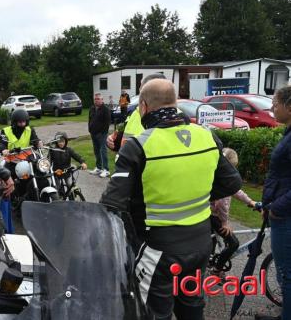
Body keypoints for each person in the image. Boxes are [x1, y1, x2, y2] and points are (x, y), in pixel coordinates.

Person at [100, 79, 242, 320]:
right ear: (175, 103)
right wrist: (195, 193)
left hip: (158, 249)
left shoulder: (139, 145)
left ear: (143, 107)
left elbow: (112, 203)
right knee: (192, 307)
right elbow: (232, 182)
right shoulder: (205, 135)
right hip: (200, 243)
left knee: (154, 312)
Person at [258, 85, 291, 320]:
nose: (272, 107)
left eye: (276, 104)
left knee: (286, 274)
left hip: (285, 217)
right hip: (281, 213)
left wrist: (276, 209)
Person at [209, 148, 258, 278]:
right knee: (233, 243)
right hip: (214, 216)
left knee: (212, 242)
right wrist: (224, 222)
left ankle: (211, 262)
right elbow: (220, 203)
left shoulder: (219, 176)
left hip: (209, 214)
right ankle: (216, 270)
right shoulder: (224, 180)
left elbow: (237, 191)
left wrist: (250, 201)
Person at [107, 73, 167, 152]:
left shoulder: (174, 117)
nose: (140, 90)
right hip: (127, 162)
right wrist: (112, 141)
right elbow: (124, 138)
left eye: (142, 87)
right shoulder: (135, 112)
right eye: (140, 87)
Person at [88, 92, 111, 178]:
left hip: (102, 134)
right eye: (95, 99)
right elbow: (89, 120)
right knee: (96, 151)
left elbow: (107, 122)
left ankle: (106, 169)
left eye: (98, 99)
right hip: (93, 133)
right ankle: (98, 167)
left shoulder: (105, 109)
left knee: (103, 151)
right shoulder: (92, 108)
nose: (96, 100)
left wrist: (102, 132)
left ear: (102, 100)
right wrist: (90, 129)